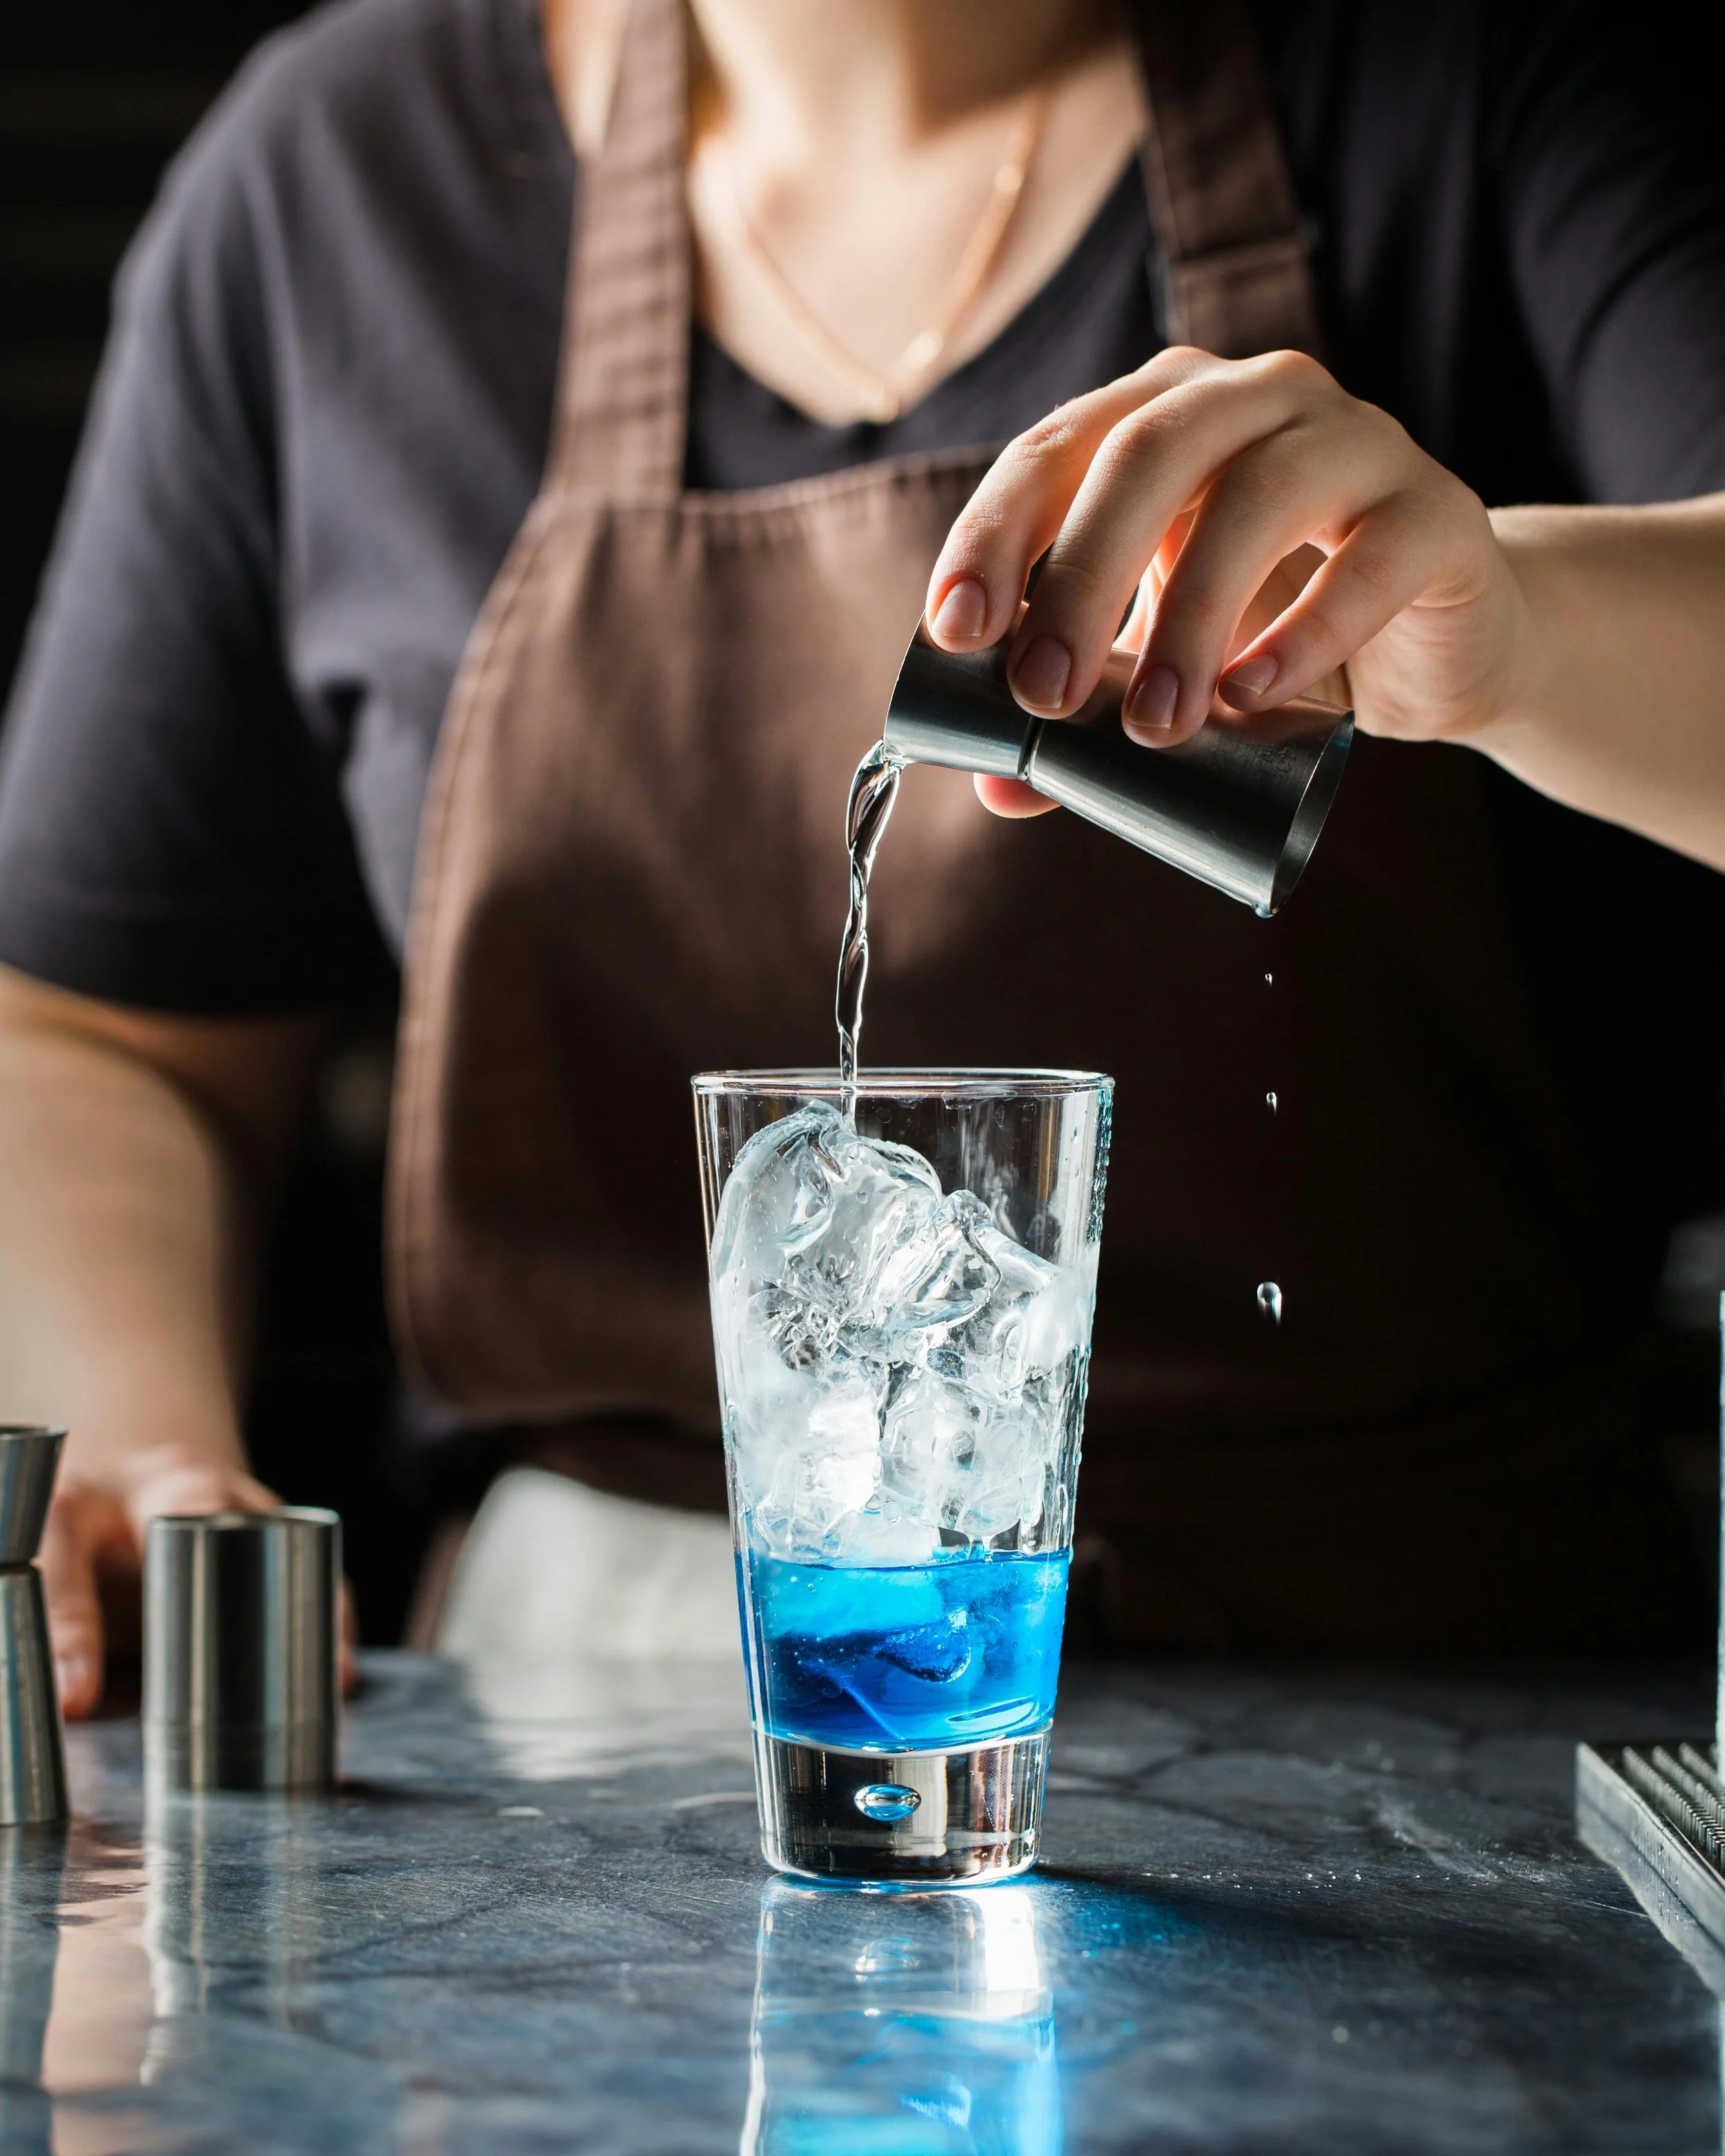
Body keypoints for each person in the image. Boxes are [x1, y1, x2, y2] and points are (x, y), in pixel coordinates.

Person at [3, 0, 1725, 1716]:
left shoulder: (1504, 76)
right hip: (589, 1723)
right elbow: (98, 1037)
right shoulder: (341, 182)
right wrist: (151, 1453)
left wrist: (1516, 633)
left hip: (1450, 1697)